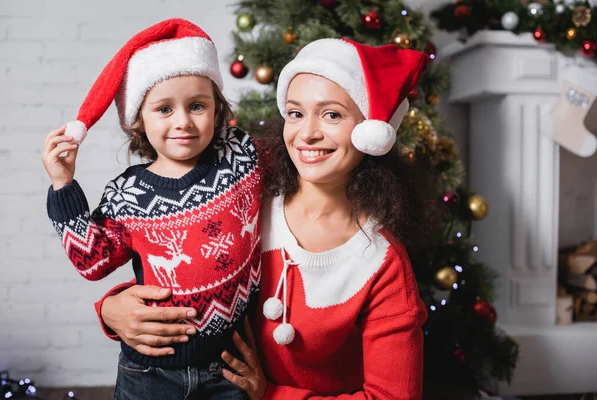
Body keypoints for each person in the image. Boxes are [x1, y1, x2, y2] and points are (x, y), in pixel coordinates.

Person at [97, 38, 438, 399]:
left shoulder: (381, 264)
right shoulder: (245, 198)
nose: (307, 134)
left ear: (370, 131)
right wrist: (111, 309)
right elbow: (184, 269)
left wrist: (271, 395)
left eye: (332, 114)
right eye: (295, 113)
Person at [41, 18, 260, 400]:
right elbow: (92, 262)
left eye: (197, 105)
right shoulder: (128, 194)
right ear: (138, 119)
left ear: (217, 108)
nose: (183, 122)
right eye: (163, 109)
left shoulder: (240, 154)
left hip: (230, 368)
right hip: (151, 372)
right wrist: (63, 186)